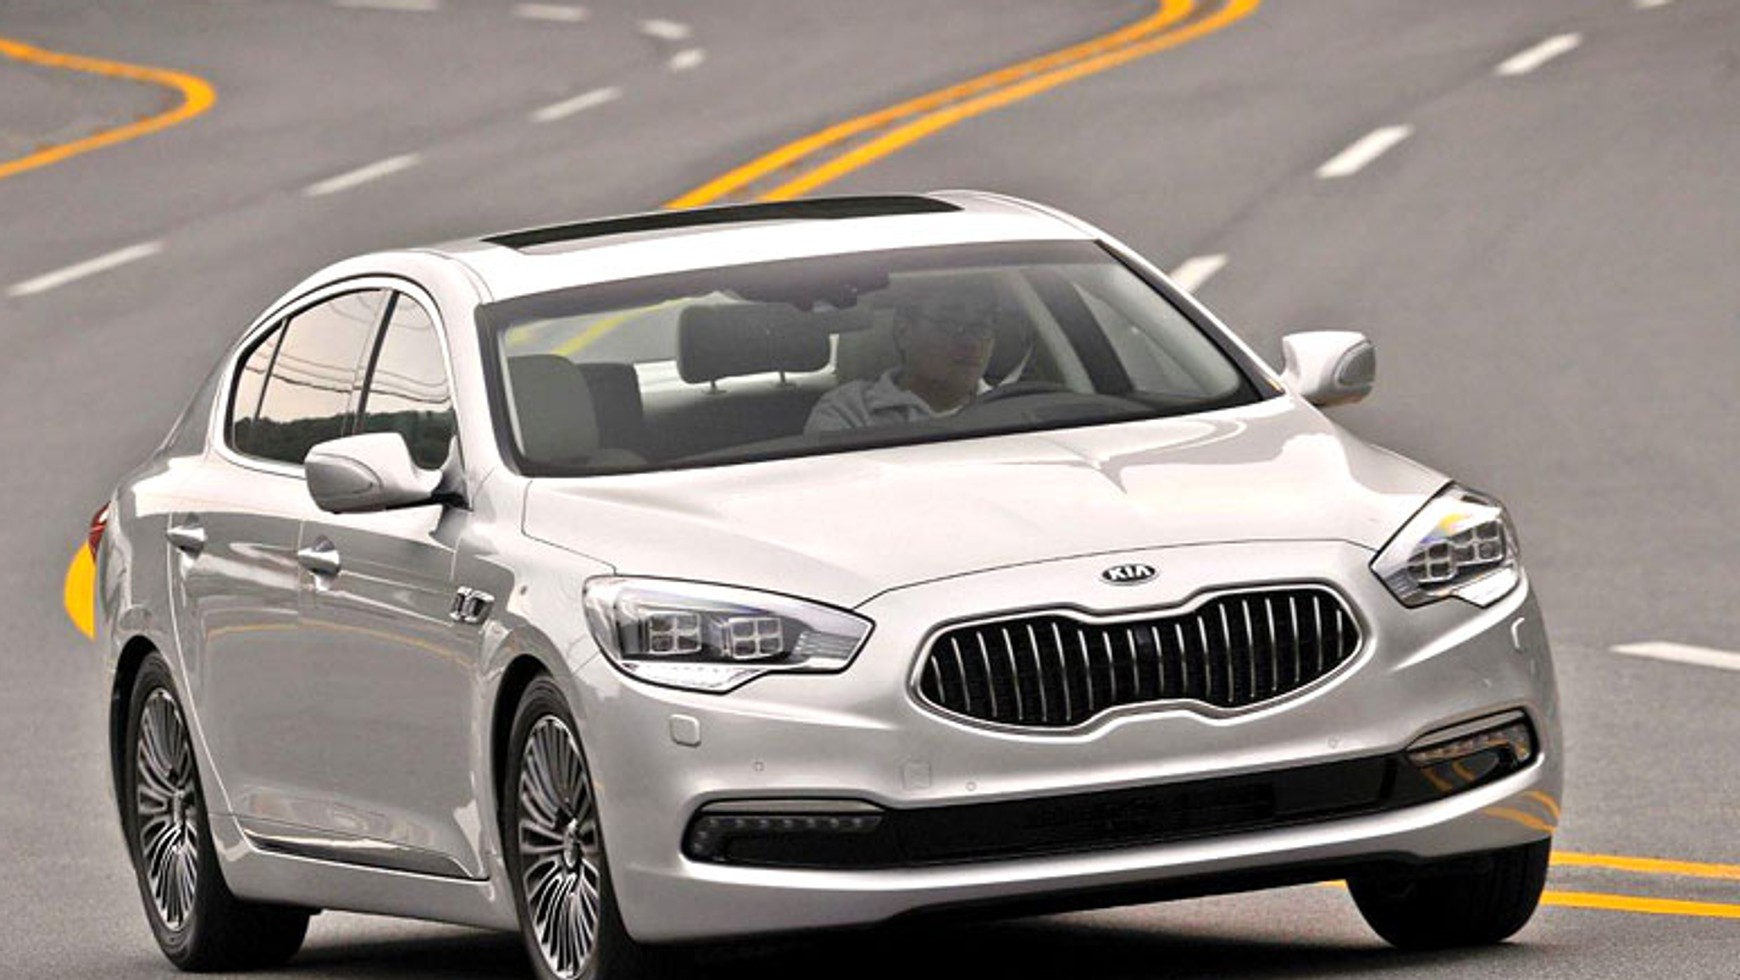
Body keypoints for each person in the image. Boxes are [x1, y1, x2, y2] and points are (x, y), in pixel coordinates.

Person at [805, 278, 1000, 432]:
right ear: (903, 330)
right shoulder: (849, 412)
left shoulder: (1008, 407)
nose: (970, 341)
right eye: (949, 323)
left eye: (981, 326)